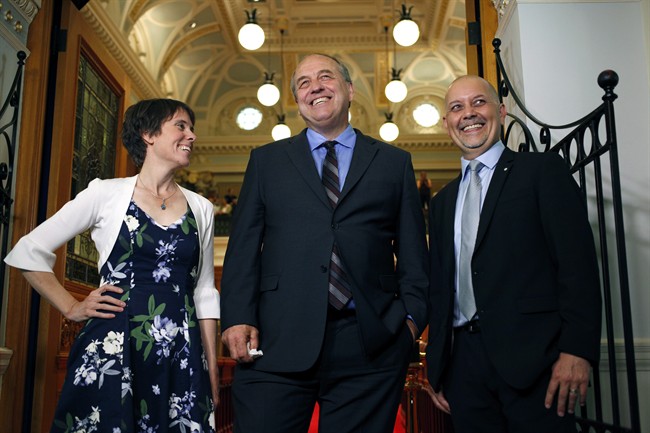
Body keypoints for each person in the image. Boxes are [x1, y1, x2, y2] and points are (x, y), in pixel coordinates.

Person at [220, 53, 429, 433]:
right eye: (303, 82)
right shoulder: (266, 161)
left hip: (369, 343)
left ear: (349, 90)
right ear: (297, 100)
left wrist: (410, 323)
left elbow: (414, 255)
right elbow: (243, 249)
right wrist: (236, 317)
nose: (314, 86)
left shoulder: (393, 162)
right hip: (276, 338)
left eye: (325, 77)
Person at [4, 99, 220, 432]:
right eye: (181, 126)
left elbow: (204, 292)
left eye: (192, 128)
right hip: (115, 346)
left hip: (182, 351)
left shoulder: (201, 207)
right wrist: (72, 306)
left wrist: (212, 373)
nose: (191, 135)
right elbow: (28, 251)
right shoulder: (104, 193)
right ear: (148, 134)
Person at [425, 75, 602, 433]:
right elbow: (440, 290)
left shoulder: (540, 172)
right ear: (447, 124)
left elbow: (577, 264)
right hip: (463, 369)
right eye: (456, 108)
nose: (468, 114)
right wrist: (437, 366)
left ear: (501, 111)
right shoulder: (442, 203)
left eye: (479, 102)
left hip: (537, 363)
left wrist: (578, 351)